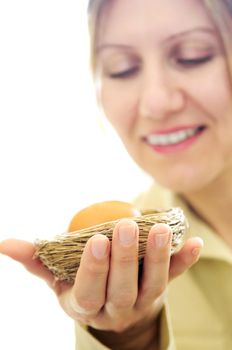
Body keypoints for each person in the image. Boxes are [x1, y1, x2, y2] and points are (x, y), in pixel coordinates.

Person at [1, 0, 232, 348]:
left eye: (192, 56)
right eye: (121, 69)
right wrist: (132, 339)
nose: (155, 103)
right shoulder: (122, 259)